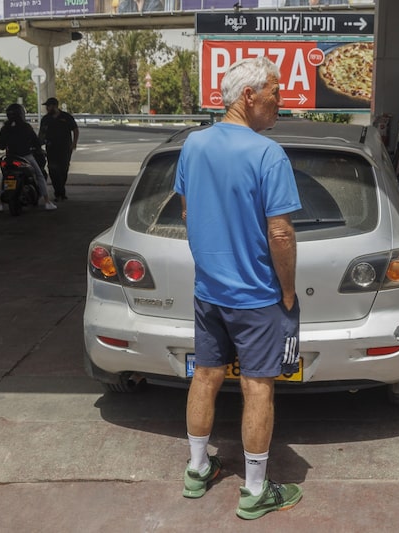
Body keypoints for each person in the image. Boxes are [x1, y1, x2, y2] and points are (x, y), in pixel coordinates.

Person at [174, 56, 303, 520]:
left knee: (205, 377)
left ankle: (197, 470)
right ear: (249, 96)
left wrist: (212, 262)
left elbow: (187, 212)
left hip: (208, 292)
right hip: (255, 296)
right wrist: (287, 292)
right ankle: (254, 491)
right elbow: (281, 233)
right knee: (257, 387)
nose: (281, 102)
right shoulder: (268, 154)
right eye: (275, 92)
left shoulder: (193, 144)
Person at [0, 103, 57, 212]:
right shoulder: (26, 127)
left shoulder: (5, 128)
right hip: (25, 156)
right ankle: (47, 201)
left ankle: (0, 204)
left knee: (5, 177)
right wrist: (38, 147)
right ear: (21, 114)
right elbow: (36, 142)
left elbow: (1, 145)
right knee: (39, 175)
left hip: (10, 158)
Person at [38, 97, 79, 202]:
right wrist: (39, 144)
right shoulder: (46, 119)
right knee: (53, 170)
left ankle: (61, 191)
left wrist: (74, 143)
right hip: (51, 148)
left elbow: (75, 129)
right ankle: (58, 193)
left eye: (48, 106)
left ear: (55, 106)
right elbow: (41, 133)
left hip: (65, 148)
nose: (47, 108)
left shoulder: (66, 117)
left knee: (63, 169)